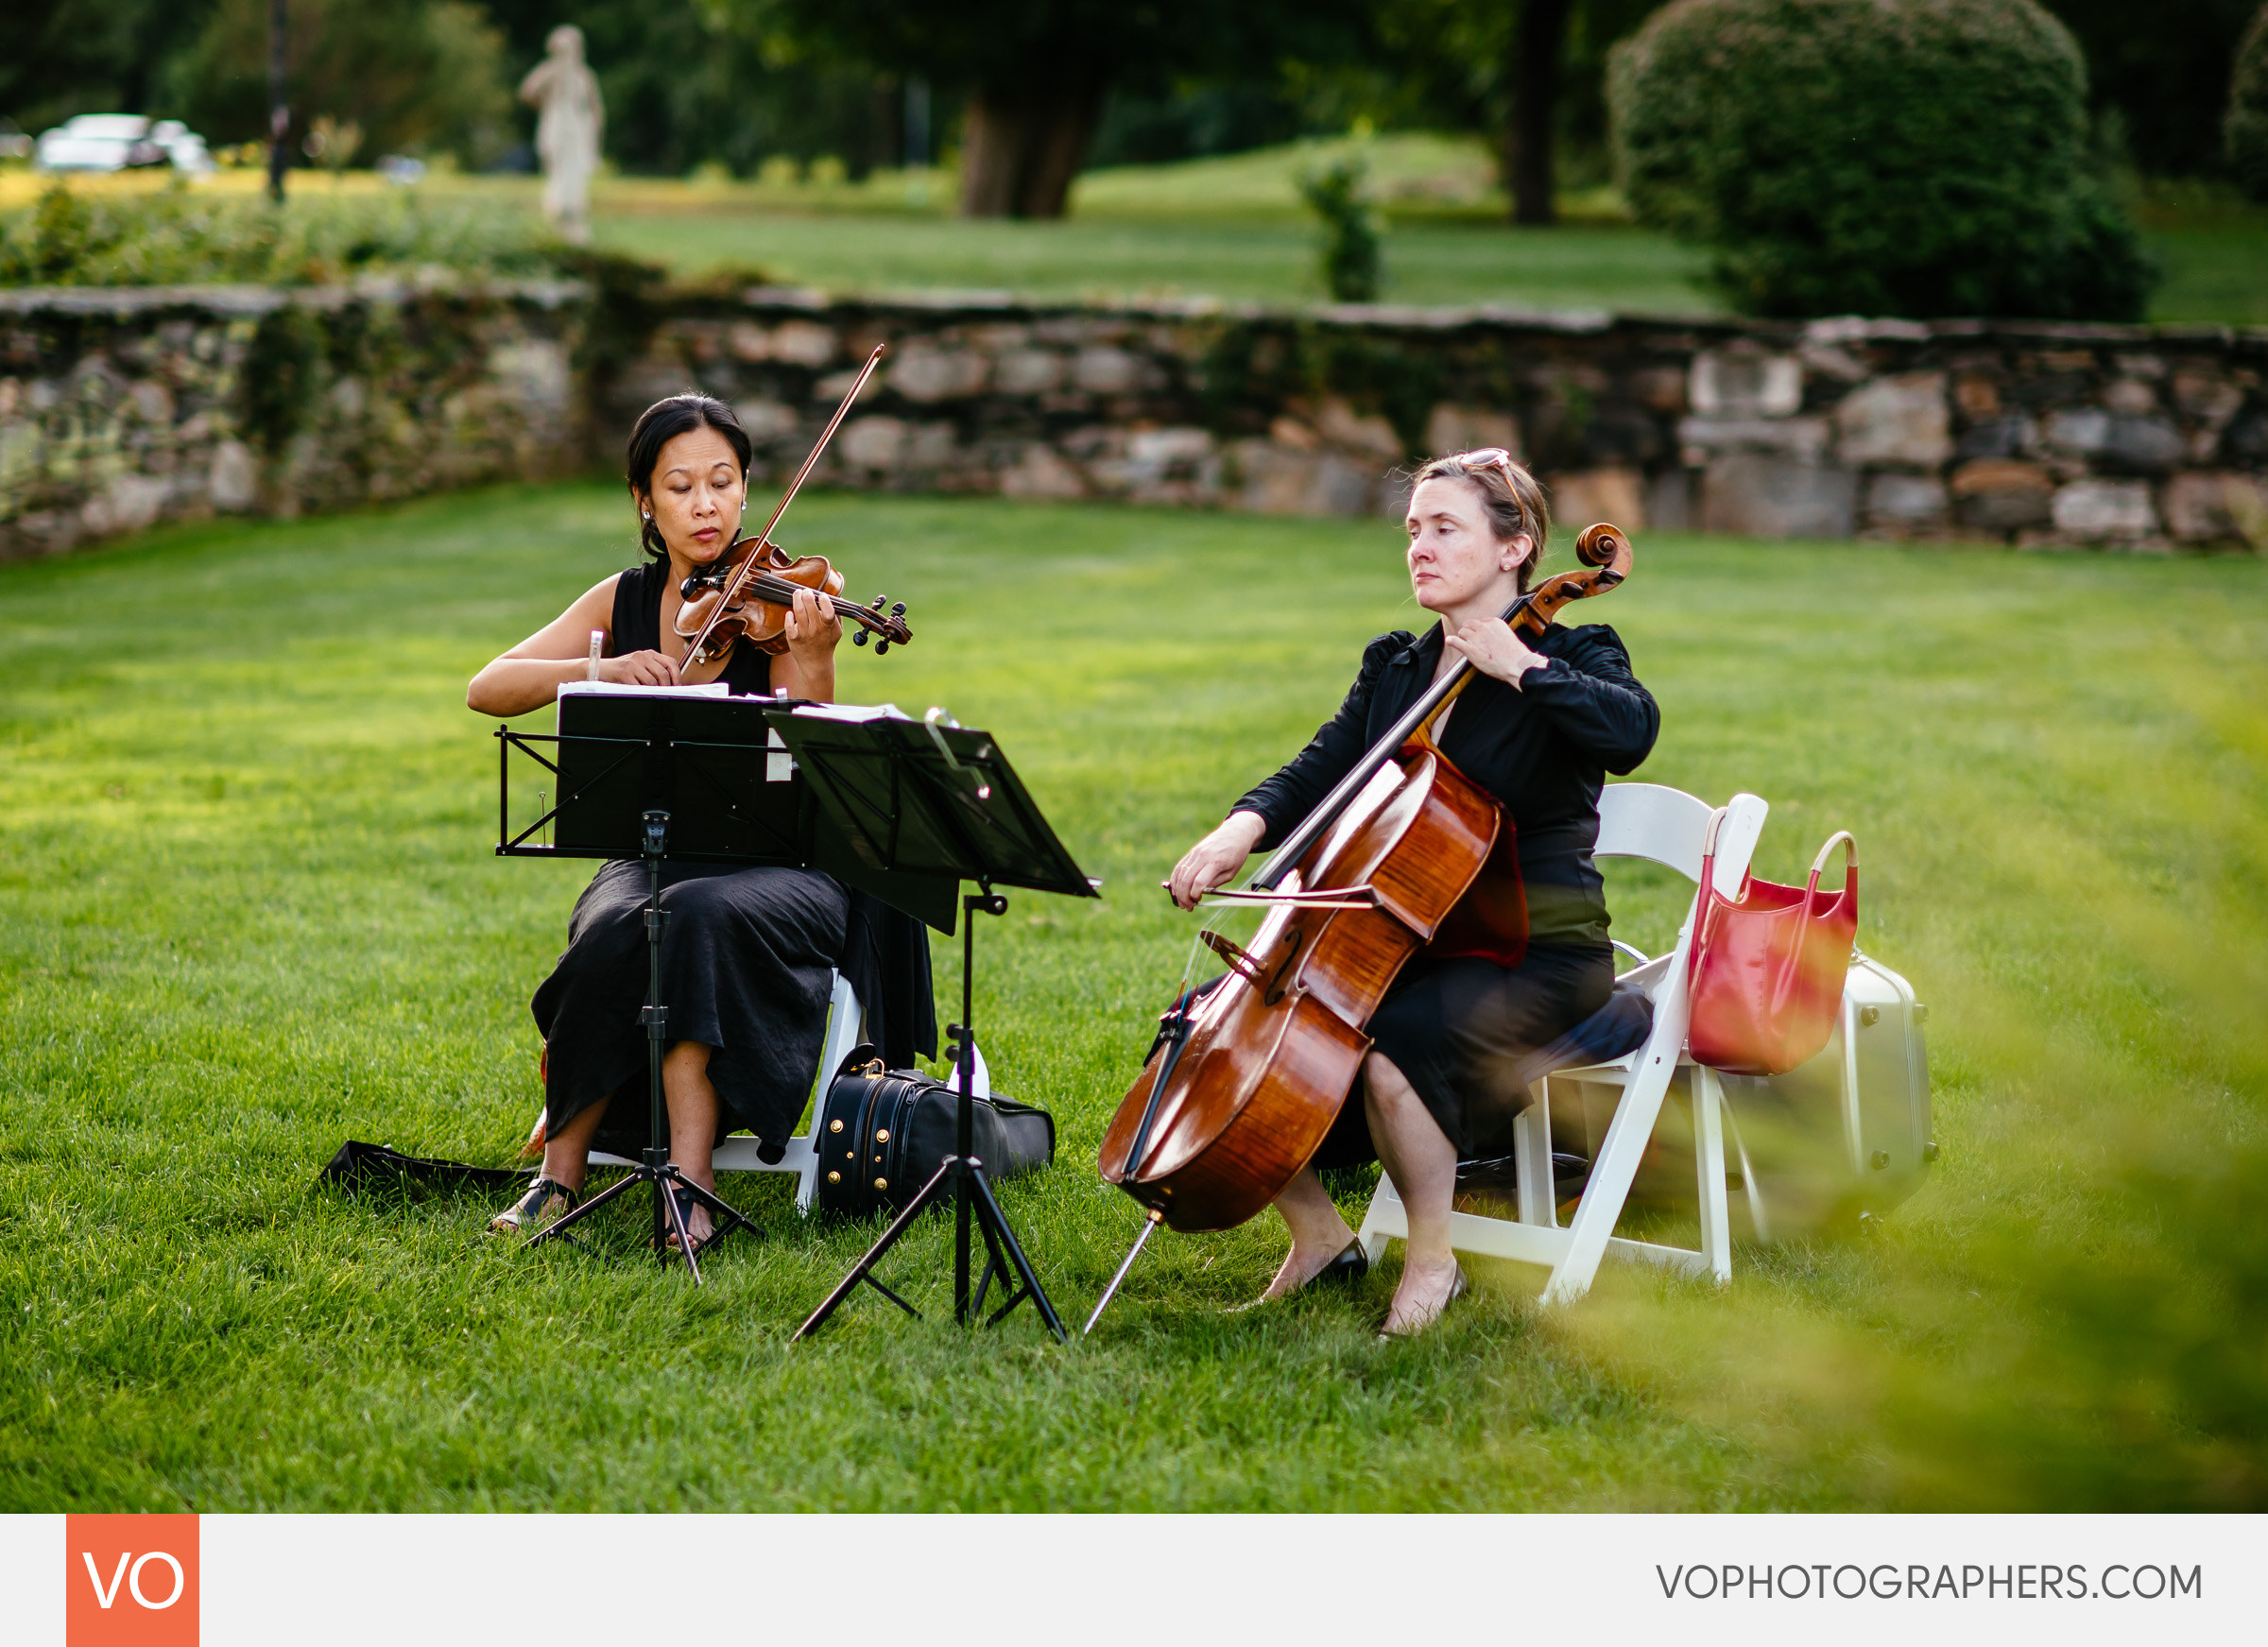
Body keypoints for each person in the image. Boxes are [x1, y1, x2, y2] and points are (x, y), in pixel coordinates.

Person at [1164, 450, 1658, 1335]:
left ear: (1517, 548)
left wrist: (1521, 665)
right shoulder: (1398, 665)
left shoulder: (1573, 648)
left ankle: (1434, 1263)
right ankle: (1320, 1239)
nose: (1419, 549)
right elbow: (1323, 762)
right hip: (1407, 939)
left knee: (1394, 1045)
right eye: (1412, 531)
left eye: (1444, 528)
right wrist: (1241, 827)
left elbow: (1632, 733)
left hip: (1538, 952)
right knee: (1208, 1028)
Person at [468, 393, 932, 1254]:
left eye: (723, 481)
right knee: (615, 918)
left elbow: (812, 764)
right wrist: (599, 667)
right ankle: (556, 1177)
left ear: (749, 491)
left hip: (785, 870)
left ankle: (692, 1178)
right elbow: (486, 685)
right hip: (655, 854)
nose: (706, 503)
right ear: (646, 501)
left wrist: (818, 658)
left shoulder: (783, 606)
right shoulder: (628, 598)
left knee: (695, 917)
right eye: (680, 486)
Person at [519, 25, 603, 245]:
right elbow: (528, 91)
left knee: (576, 174)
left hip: (576, 127)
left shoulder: (584, 75)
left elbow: (595, 109)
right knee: (557, 173)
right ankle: (557, 218)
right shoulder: (550, 70)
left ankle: (574, 219)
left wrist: (594, 136)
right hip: (556, 125)